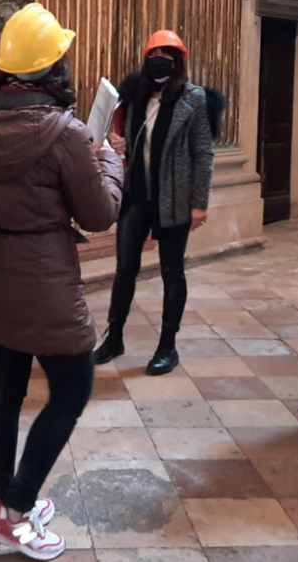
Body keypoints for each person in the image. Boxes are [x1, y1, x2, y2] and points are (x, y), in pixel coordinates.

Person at [0, 3, 123, 560]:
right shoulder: (65, 132)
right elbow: (99, 216)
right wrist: (110, 163)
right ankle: (16, 512)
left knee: (5, 392)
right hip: (45, 278)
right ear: (56, 68)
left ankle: (1, 501)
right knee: (73, 388)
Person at [94, 30, 216, 376]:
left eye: (169, 54)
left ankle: (167, 346)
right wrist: (120, 145)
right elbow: (133, 143)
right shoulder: (136, 94)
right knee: (125, 269)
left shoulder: (193, 99)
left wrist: (199, 202)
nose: (160, 59)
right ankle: (113, 337)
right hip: (137, 196)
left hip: (175, 198)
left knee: (171, 272)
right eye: (154, 53)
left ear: (179, 61)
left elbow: (203, 152)